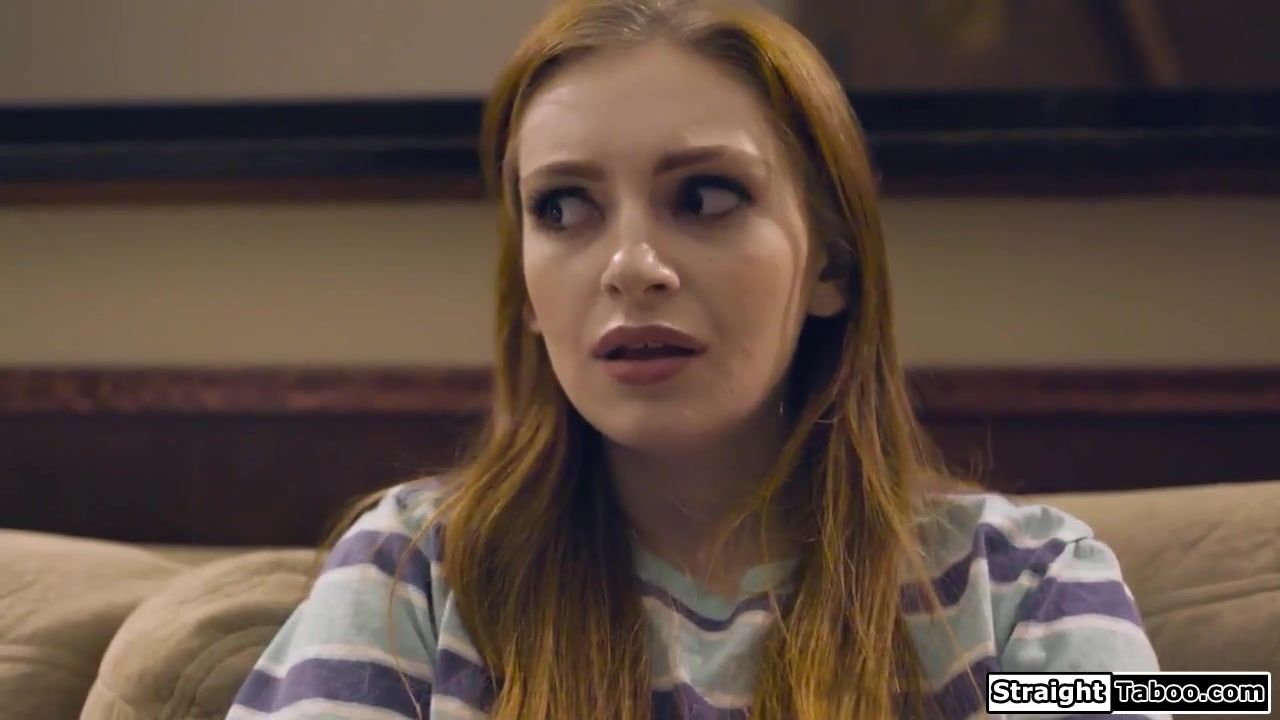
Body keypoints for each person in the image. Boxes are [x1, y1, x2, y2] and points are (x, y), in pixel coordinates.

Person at [228, 0, 1164, 718]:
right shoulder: (415, 574)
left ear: (831, 264)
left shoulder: (1032, 585)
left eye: (705, 197)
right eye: (562, 208)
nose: (631, 266)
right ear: (528, 288)